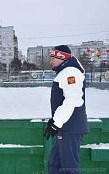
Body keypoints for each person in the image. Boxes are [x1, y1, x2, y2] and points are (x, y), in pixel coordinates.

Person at [44, 45, 88, 174]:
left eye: (53, 58)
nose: (50, 61)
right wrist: (55, 122)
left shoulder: (70, 73)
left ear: (61, 58)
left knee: (68, 167)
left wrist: (56, 122)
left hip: (70, 127)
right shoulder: (65, 72)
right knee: (55, 163)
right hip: (64, 127)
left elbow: (73, 99)